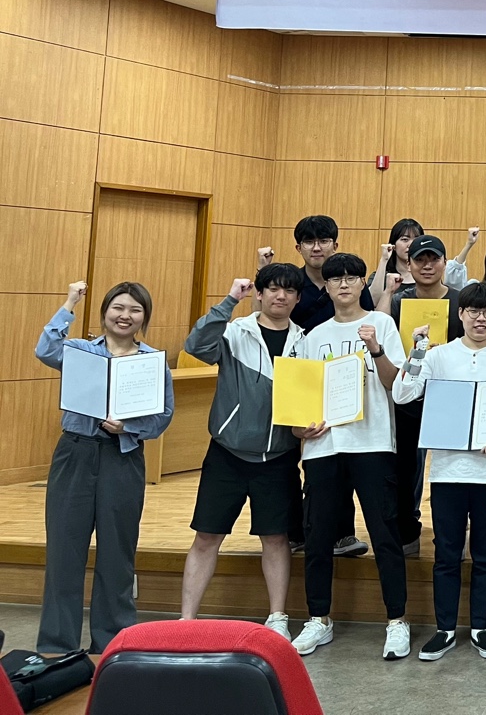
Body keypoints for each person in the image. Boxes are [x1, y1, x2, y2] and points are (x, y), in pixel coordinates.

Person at [34, 280, 175, 654]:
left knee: (117, 553)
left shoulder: (151, 361)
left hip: (123, 457)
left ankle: (113, 644)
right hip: (75, 454)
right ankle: (56, 646)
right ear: (105, 312)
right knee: (64, 551)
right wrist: (69, 302)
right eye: (118, 308)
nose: (125, 316)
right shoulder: (81, 351)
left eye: (135, 310)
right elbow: (45, 349)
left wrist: (128, 428)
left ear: (144, 317)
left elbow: (163, 415)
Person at [289, 253, 410, 661]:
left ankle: (396, 620)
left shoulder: (383, 325)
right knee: (318, 536)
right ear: (325, 287)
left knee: (385, 534)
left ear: (363, 283)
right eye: (335, 279)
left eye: (352, 277)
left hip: (372, 444)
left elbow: (396, 385)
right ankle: (318, 618)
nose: (343, 284)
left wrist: (375, 349)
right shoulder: (312, 337)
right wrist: (299, 429)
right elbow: (300, 396)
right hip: (324, 446)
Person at [392, 282, 486, 662]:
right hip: (448, 472)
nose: (481, 318)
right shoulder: (438, 356)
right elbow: (402, 394)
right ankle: (445, 629)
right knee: (446, 554)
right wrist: (417, 350)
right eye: (474, 311)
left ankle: (481, 627)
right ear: (460, 314)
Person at [179, 264, 307, 639]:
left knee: (276, 539)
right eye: (273, 289)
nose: (280, 296)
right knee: (206, 536)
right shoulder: (235, 332)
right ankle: (186, 620)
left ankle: (278, 617)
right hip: (226, 455)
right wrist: (229, 301)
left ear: (298, 298)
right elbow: (196, 346)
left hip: (279, 457)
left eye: (289, 290)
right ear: (259, 294)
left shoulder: (306, 342)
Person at [262, 216, 369, 558]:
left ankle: (342, 534)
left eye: (324, 240)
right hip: (298, 376)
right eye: (309, 241)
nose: (317, 247)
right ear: (299, 247)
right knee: (291, 459)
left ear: (335, 244)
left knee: (339, 456)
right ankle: (298, 531)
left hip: (343, 379)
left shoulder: (348, 280)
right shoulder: (291, 283)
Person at [387, 235, 465, 557]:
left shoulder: (461, 302)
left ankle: (452, 536)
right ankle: (407, 533)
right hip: (409, 399)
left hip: (451, 398)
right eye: (420, 259)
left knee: (454, 470)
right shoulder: (398, 302)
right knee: (404, 469)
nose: (427, 265)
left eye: (434, 259)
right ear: (409, 264)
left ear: (445, 263)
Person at [368, 219, 472, 306]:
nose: (410, 244)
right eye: (405, 239)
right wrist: (384, 259)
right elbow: (372, 303)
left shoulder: (433, 276)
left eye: (416, 239)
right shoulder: (395, 295)